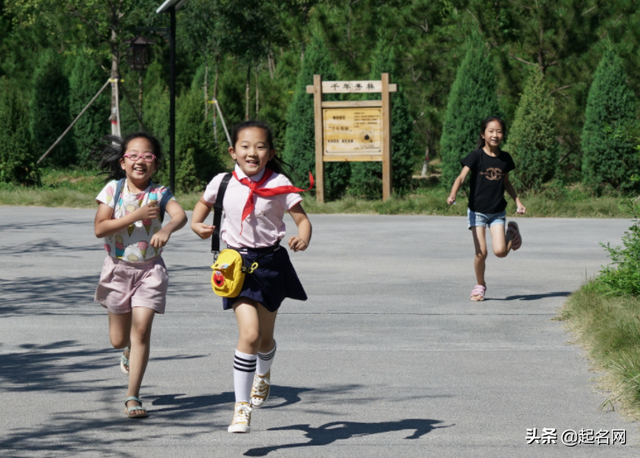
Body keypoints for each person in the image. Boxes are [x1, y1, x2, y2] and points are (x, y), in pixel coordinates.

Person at [191, 120, 312, 433]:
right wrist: (197, 225)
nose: (252, 152)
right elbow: (201, 208)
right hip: (237, 266)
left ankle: (263, 374)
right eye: (245, 146)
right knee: (249, 334)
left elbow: (303, 220)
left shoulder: (279, 183)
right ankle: (240, 408)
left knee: (265, 339)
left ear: (270, 152)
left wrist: (303, 236)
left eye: (260, 146)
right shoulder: (222, 182)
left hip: (271, 264)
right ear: (233, 151)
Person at [93, 133, 187, 418]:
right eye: (133, 155)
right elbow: (100, 228)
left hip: (150, 271)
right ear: (123, 162)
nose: (140, 161)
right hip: (118, 270)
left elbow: (180, 215)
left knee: (142, 330)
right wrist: (136, 215)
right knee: (118, 339)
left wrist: (166, 229)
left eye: (147, 156)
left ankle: (133, 396)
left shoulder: (159, 193)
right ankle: (126, 351)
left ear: (155, 164)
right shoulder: (113, 190)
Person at [447, 116, 526, 301]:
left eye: (499, 131)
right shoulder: (476, 156)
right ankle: (480, 285)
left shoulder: (505, 158)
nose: (495, 135)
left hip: (497, 212)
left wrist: (518, 202)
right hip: (477, 212)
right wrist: (453, 193)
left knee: (500, 252)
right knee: (481, 252)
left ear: (503, 135)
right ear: (483, 134)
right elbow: (461, 177)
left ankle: (511, 233)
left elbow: (506, 183)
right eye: (491, 131)